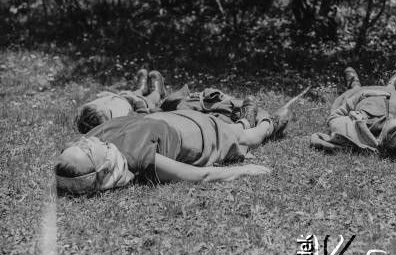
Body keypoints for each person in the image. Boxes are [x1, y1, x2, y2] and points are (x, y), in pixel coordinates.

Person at [54, 100, 292, 195]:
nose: (87, 141)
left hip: (170, 118)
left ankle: (244, 120)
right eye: (86, 150)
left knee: (236, 130)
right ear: (102, 168)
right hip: (198, 136)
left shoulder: (97, 137)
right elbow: (201, 175)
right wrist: (244, 170)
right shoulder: (141, 160)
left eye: (79, 143)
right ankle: (268, 125)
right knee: (245, 139)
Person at [75, 68, 269, 133]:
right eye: (108, 111)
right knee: (151, 103)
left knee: (136, 98)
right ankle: (151, 92)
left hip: (134, 106)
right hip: (147, 112)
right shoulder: (127, 126)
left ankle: (141, 90)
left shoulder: (102, 111)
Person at [75, 69, 165, 133]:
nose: (105, 105)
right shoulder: (120, 118)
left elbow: (98, 102)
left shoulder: (93, 107)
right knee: (151, 99)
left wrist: (110, 95)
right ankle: (157, 91)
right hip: (136, 104)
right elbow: (140, 115)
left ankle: (142, 89)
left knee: (135, 92)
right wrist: (137, 102)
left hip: (122, 97)